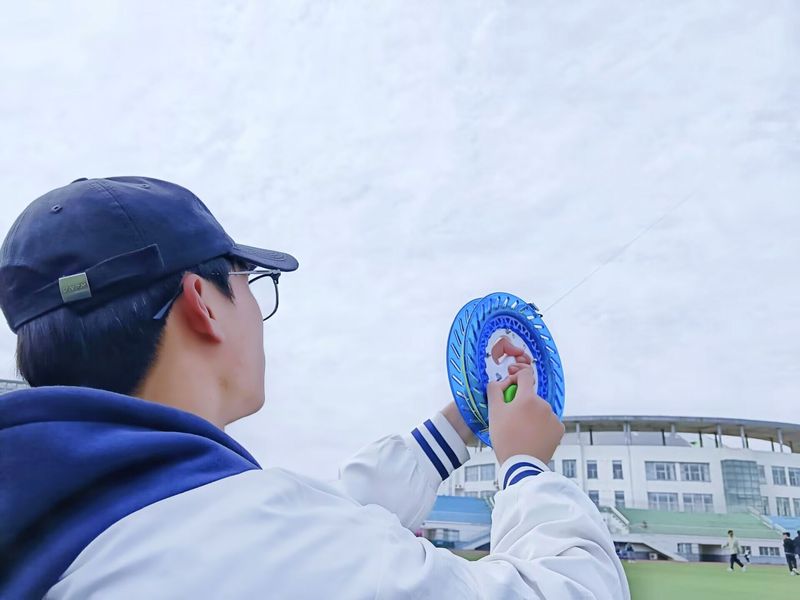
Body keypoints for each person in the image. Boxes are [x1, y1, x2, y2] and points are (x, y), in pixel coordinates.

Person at [0, 177, 630, 599]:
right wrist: (525, 467)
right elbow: (573, 588)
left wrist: (464, 417)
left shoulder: (73, 515)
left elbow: (323, 515)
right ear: (204, 304)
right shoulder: (262, 550)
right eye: (251, 283)